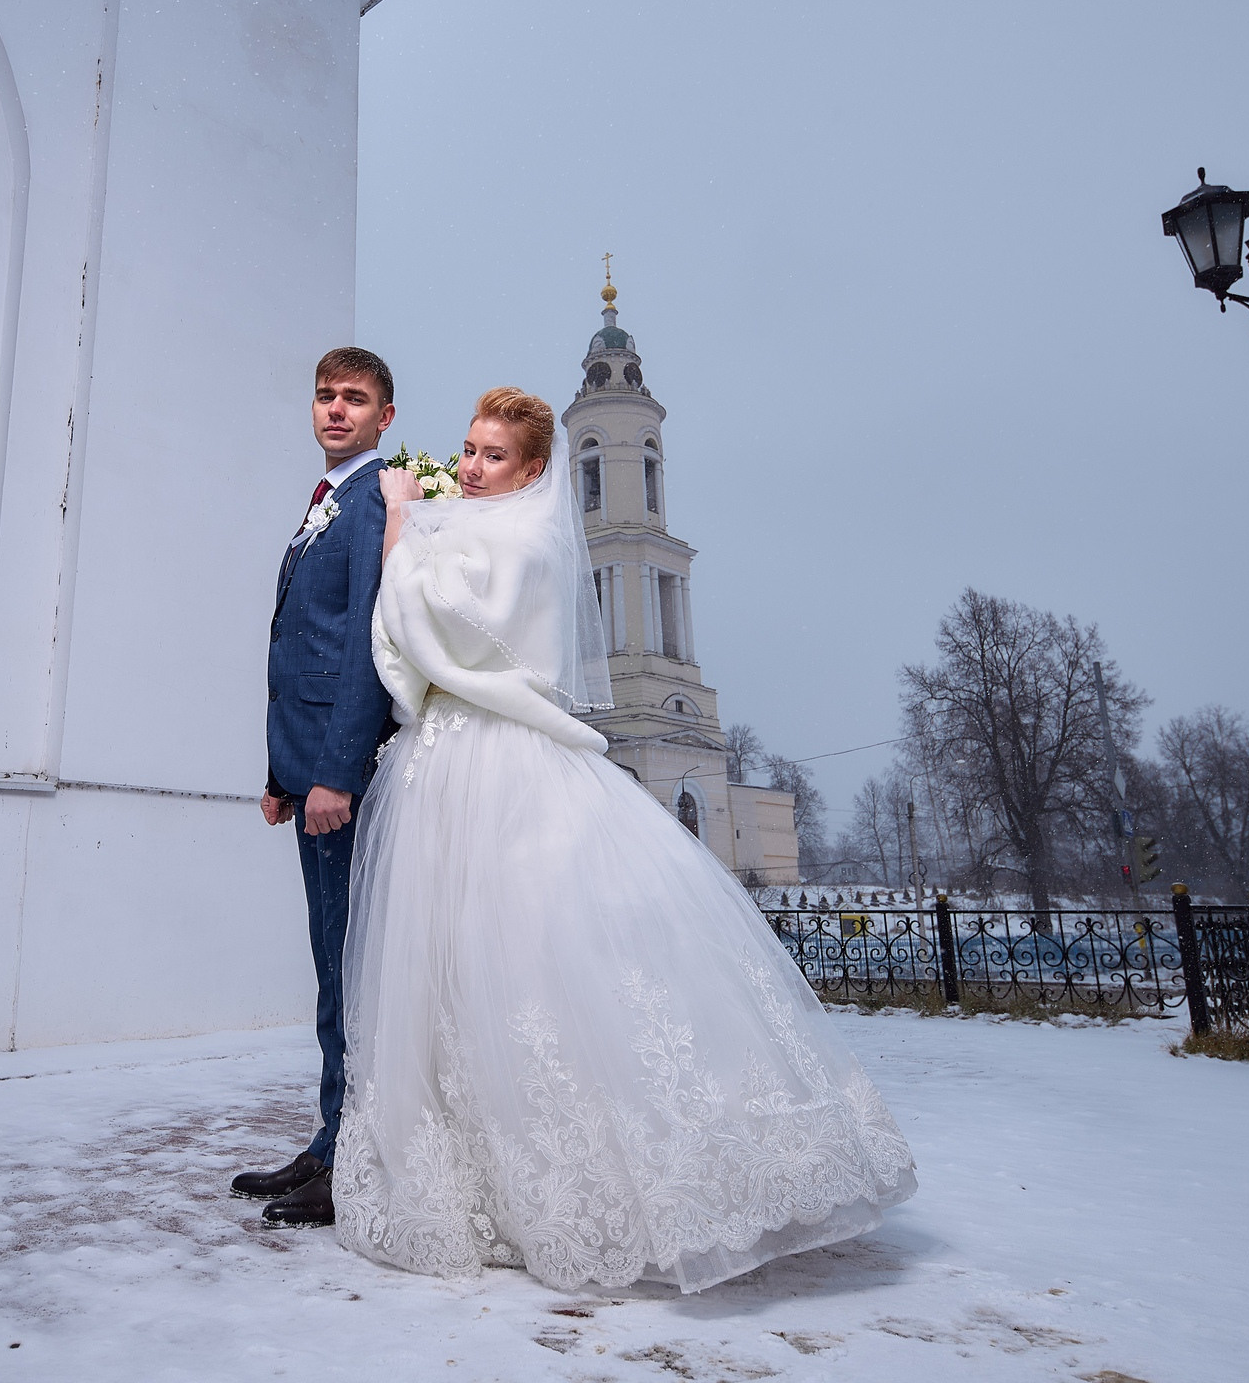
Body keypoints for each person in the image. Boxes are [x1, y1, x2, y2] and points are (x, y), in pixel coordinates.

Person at [333, 387, 917, 1291]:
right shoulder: (479, 531)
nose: (474, 466)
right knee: (452, 970)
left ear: (533, 469)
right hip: (444, 765)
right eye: (469, 449)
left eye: (493, 454)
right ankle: (486, 1175)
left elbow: (440, 628)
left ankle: (613, 1182)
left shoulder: (528, 541)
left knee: (533, 963)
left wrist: (403, 525)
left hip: (499, 763)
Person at [231, 347, 401, 1229]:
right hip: (306, 775)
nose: (338, 410)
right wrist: (281, 774)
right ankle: (331, 1138)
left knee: (347, 969)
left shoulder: (376, 500)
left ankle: (351, 1160)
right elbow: (298, 643)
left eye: (357, 399)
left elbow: (369, 640)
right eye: (328, 396)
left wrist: (335, 769)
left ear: (385, 417)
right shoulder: (325, 501)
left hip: (343, 779)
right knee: (328, 966)